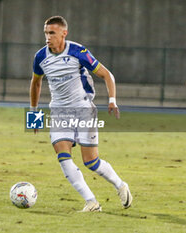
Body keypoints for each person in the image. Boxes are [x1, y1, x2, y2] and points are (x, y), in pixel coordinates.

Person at [30, 16, 132, 212]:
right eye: (46, 33)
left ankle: (120, 185)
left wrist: (112, 100)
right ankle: (91, 202)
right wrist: (34, 115)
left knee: (91, 162)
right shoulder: (40, 57)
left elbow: (106, 74)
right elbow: (36, 83)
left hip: (83, 109)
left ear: (63, 33)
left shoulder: (78, 51)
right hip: (59, 112)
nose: (47, 37)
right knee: (63, 156)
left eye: (52, 33)